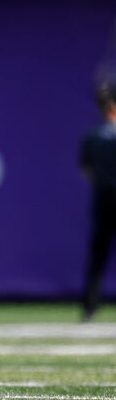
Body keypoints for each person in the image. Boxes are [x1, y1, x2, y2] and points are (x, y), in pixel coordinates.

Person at [80, 78, 116, 322]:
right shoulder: (93, 136)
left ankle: (90, 308)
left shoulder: (92, 136)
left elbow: (87, 170)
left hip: (103, 199)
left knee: (98, 256)